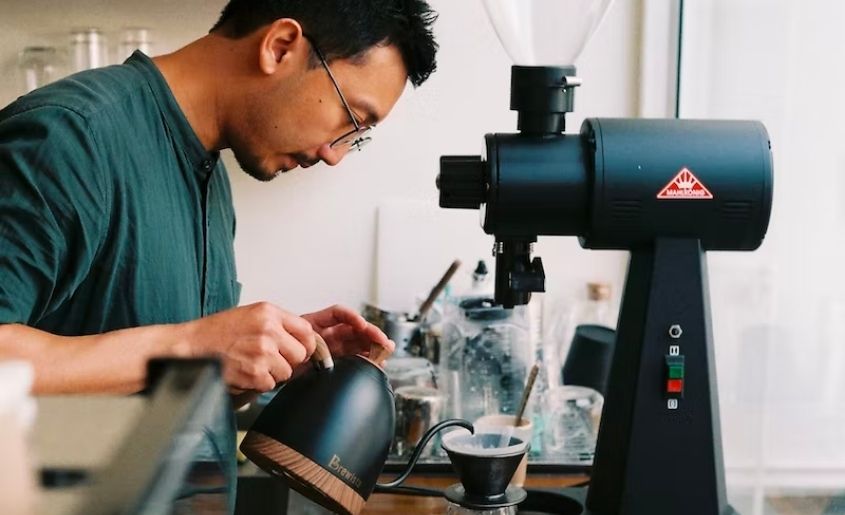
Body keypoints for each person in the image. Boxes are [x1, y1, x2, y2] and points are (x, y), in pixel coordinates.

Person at [0, 0, 439, 508]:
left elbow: (141, 381)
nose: (334, 153)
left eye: (356, 139)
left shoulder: (211, 178)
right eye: (350, 117)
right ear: (280, 47)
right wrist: (195, 347)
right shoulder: (69, 140)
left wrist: (259, 362)